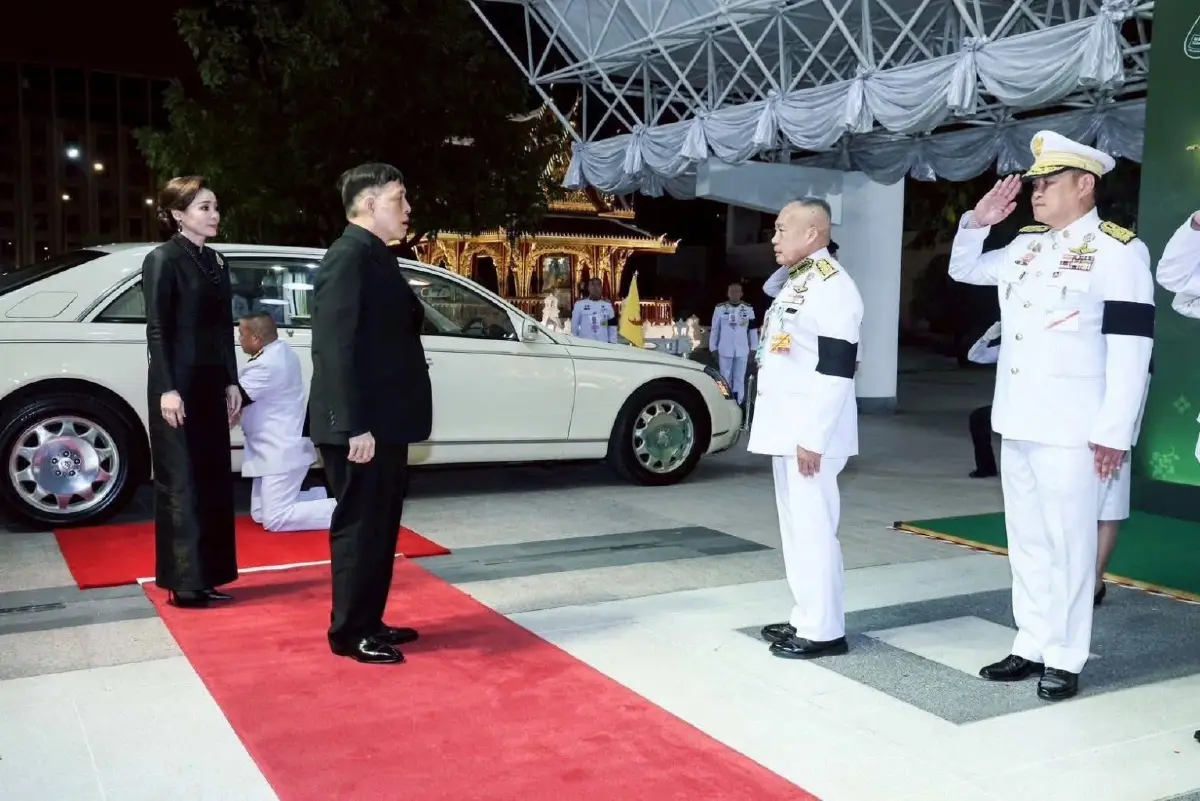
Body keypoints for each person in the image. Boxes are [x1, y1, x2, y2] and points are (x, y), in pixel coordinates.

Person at [948, 131, 1154, 701]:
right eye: (1035, 182)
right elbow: (965, 270)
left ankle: (1066, 655)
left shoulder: (1119, 252)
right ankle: (1031, 642)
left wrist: (1115, 429)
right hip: (1018, 420)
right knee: (1029, 539)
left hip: (1075, 428)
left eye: (1049, 182)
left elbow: (1131, 351)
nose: (1037, 191)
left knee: (1070, 544)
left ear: (1085, 186)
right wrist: (977, 221)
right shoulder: (1025, 246)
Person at [309, 163, 431, 665]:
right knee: (360, 525)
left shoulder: (375, 256)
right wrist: (353, 423)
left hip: (385, 421)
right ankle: (348, 631)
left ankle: (369, 619)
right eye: (399, 199)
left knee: (381, 524)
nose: (407, 210)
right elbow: (334, 347)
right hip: (361, 425)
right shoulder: (348, 257)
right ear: (367, 203)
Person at [752, 199, 863, 660]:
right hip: (788, 427)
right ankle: (807, 615)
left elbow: (838, 368)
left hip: (812, 432)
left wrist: (813, 437)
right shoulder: (802, 280)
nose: (774, 238)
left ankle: (824, 630)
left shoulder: (833, 286)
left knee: (815, 529)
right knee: (798, 530)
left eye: (782, 229)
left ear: (814, 232)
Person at [144, 176, 241, 609]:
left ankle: (208, 576)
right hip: (177, 384)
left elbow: (224, 329)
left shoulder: (216, 261)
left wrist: (231, 380)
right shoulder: (162, 259)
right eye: (203, 207)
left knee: (212, 479)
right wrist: (167, 387)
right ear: (177, 214)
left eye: (215, 206)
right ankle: (183, 582)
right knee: (181, 482)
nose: (214, 214)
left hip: (209, 382)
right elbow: (158, 328)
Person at [234, 311, 337, 532]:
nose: (238, 339)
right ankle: (322, 496)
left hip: (281, 451)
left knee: (276, 519)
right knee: (260, 514)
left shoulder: (267, 364)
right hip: (269, 449)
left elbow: (233, 401)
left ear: (256, 338)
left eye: (241, 334)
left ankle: (346, 509)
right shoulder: (280, 350)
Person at [709, 282, 758, 404]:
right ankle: (724, 401)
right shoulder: (720, 309)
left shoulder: (748, 309)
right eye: (732, 291)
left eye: (737, 291)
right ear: (728, 293)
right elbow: (715, 330)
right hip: (724, 349)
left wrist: (754, 348)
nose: (734, 294)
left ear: (741, 294)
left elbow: (752, 330)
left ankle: (739, 402)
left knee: (740, 378)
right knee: (723, 377)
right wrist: (713, 348)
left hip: (742, 349)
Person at [966, 321, 1002, 478]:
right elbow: (975, 356)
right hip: (1010, 403)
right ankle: (986, 467)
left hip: (1038, 404)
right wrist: (987, 338)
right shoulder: (1007, 349)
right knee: (978, 418)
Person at [571, 277, 617, 343]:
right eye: (592, 284)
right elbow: (574, 326)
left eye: (598, 285)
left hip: (603, 344)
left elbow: (612, 327)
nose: (595, 287)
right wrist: (574, 342)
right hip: (585, 345)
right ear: (588, 288)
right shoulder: (580, 304)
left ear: (601, 288)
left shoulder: (608, 306)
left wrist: (613, 344)